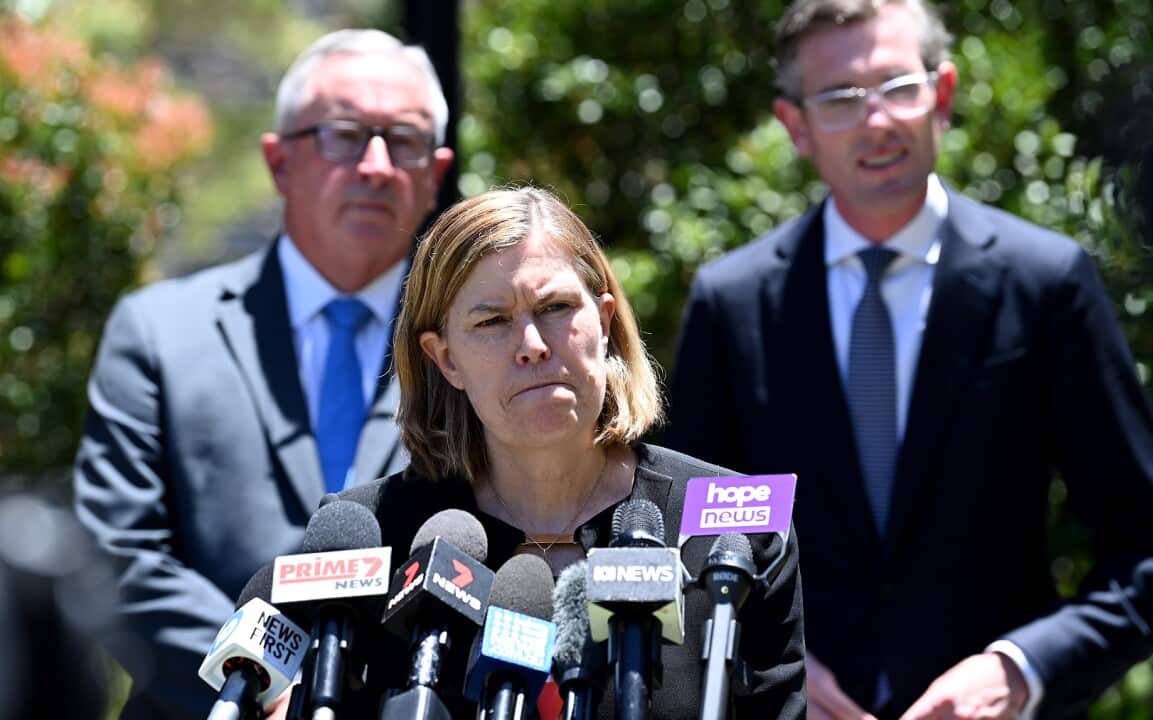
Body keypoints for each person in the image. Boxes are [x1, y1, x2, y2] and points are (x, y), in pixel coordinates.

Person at [666, 2, 1153, 719]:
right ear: (796, 126)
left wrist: (1018, 670)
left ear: (942, 96)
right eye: (840, 99)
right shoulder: (732, 305)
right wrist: (763, 661)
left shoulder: (1045, 283)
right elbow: (684, 545)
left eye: (898, 87)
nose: (876, 120)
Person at [73, 29, 453, 718]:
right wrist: (257, 678)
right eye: (344, 134)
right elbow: (118, 553)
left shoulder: (470, 346)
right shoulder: (160, 331)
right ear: (279, 163)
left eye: (403, 140)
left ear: (436, 172)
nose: (375, 165)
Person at [337, 187, 808, 719]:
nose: (532, 344)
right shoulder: (373, 540)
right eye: (491, 321)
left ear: (604, 321)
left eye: (555, 308)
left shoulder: (738, 532)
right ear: (445, 359)